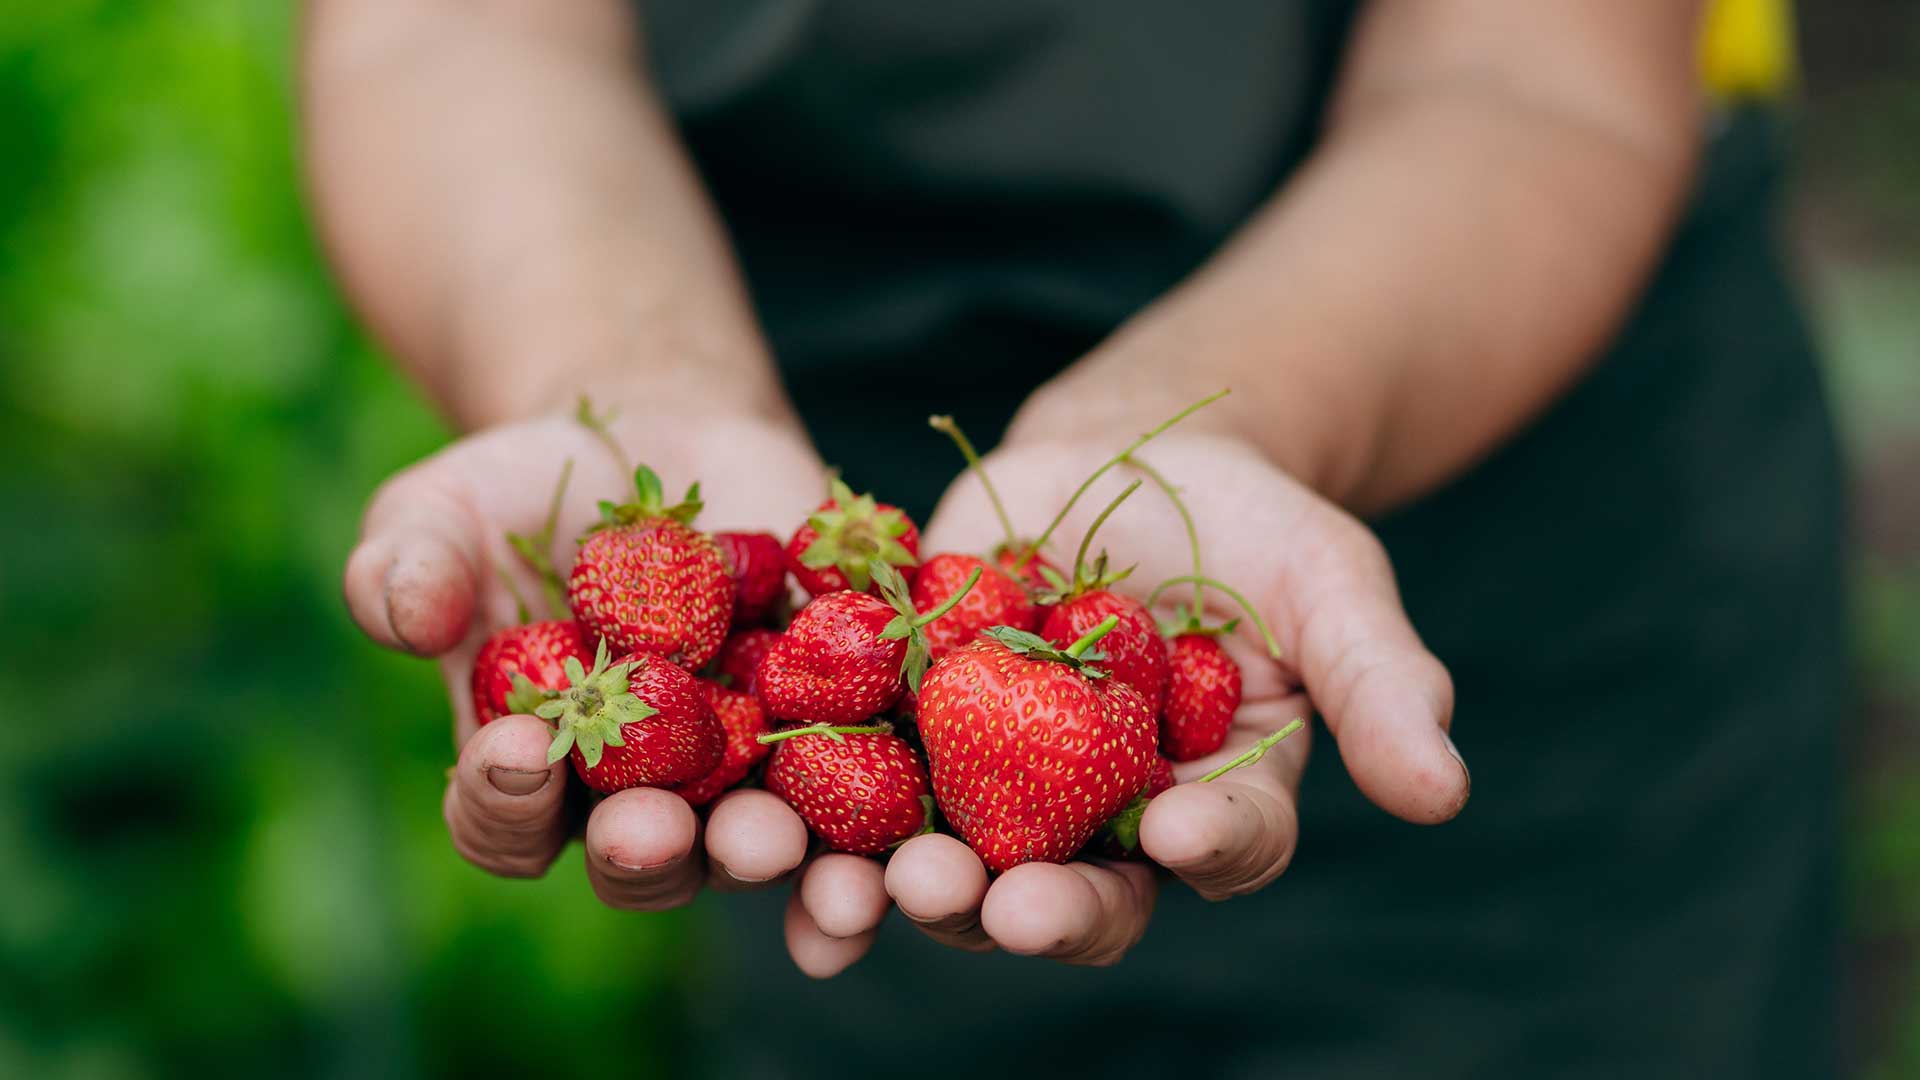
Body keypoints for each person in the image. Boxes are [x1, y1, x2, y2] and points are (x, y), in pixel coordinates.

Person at [308, 1, 1840, 1075]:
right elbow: (455, 25)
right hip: (781, 386)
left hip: (1488, 422)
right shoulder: (798, 647)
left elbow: (1532, 72)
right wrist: (629, 375)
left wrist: (1205, 424)